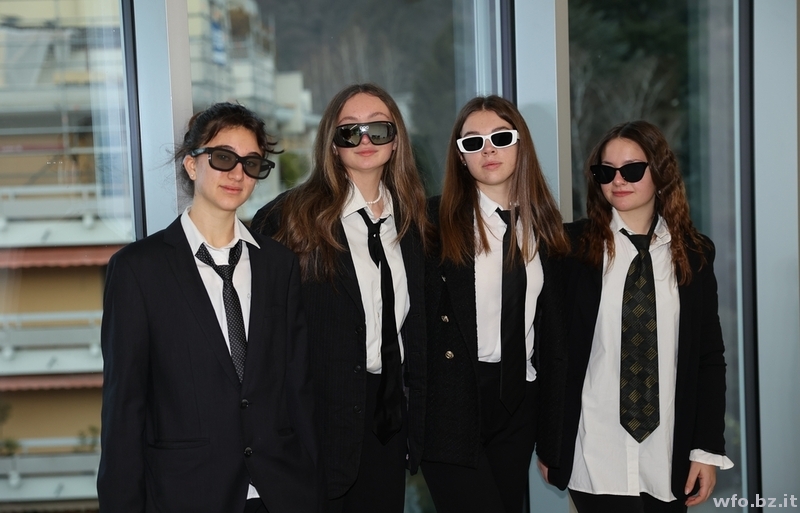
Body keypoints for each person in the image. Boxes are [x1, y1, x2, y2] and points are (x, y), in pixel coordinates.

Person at [97, 102, 319, 513]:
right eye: (223, 158)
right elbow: (124, 408)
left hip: (280, 493)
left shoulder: (278, 265)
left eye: (251, 163)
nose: (237, 173)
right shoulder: (137, 270)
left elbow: (297, 388)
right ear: (192, 164)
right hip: (187, 494)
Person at [251, 83, 429, 513]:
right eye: (350, 130)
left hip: (387, 421)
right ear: (332, 143)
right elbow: (262, 337)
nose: (365, 140)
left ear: (396, 141)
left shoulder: (415, 221)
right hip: (316, 421)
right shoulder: (287, 218)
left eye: (379, 129)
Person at [538, 120, 733, 512]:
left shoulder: (695, 254)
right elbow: (549, 353)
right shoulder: (569, 249)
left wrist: (706, 449)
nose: (618, 181)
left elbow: (708, 358)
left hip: (668, 456)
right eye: (605, 171)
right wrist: (550, 443)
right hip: (593, 452)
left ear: (660, 173)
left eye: (631, 169)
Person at [420, 95, 570, 513]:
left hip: (519, 403)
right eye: (473, 142)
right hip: (450, 405)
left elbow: (555, 341)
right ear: (460, 156)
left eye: (501, 138)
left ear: (521, 145)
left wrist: (552, 436)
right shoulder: (431, 222)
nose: (488, 150)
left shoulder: (546, 227)